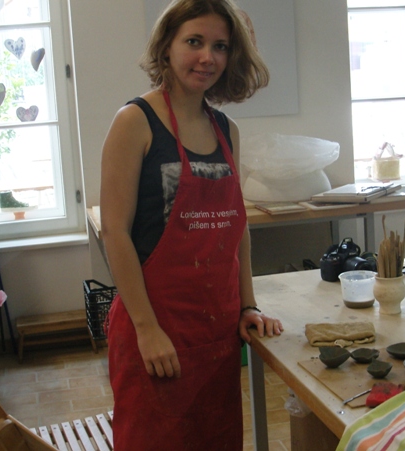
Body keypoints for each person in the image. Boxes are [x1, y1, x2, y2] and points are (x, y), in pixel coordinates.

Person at [99, 0, 283, 449]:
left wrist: (248, 305)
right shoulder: (135, 122)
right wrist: (146, 329)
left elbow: (237, 230)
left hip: (216, 333)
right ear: (167, 46)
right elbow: (114, 232)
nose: (208, 57)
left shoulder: (226, 129)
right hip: (155, 329)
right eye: (194, 42)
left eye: (220, 46)